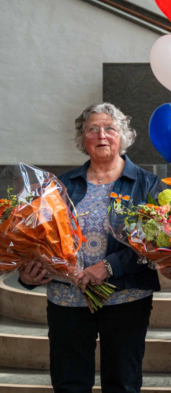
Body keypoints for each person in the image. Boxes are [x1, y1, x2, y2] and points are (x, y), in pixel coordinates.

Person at [19, 102, 162, 393]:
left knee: (122, 383)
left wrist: (110, 267)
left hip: (125, 299)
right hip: (67, 299)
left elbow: (157, 242)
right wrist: (26, 274)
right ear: (82, 139)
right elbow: (35, 239)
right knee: (69, 383)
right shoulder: (59, 185)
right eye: (92, 130)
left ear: (123, 136)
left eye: (110, 128)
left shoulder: (146, 185)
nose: (101, 135)